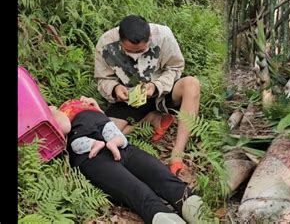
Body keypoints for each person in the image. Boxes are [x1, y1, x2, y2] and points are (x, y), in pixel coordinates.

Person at [51, 96, 203, 224]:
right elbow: (64, 127)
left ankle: (204, 218)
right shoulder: (57, 113)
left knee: (164, 178)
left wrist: (95, 106)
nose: (79, 102)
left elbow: (109, 124)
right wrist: (53, 109)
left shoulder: (94, 110)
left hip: (121, 146)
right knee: (141, 194)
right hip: (92, 155)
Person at [94, 14, 201, 175]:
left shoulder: (163, 36)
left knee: (192, 84)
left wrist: (155, 86)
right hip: (129, 100)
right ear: (120, 40)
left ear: (149, 38)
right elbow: (103, 79)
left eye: (141, 50)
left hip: (161, 92)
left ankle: (177, 156)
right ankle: (151, 118)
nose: (136, 55)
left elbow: (176, 67)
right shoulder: (106, 43)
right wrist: (115, 89)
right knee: (105, 138)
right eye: (130, 51)